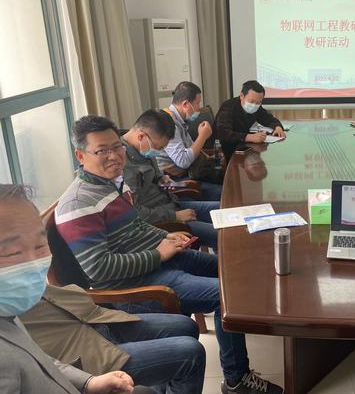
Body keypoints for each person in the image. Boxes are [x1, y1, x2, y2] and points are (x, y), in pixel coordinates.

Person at [55, 115, 283, 394]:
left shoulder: (111, 182)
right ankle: (236, 378)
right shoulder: (78, 204)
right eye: (102, 150)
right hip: (136, 283)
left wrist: (164, 237)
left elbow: (137, 226)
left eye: (116, 147)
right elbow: (99, 269)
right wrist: (158, 254)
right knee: (228, 294)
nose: (114, 155)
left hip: (157, 261)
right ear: (81, 155)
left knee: (232, 269)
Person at [0, 184, 155, 394]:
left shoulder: (7, 311)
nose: (34, 263)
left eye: (40, 245)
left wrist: (88, 382)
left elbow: (38, 360)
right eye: (11, 253)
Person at [21, 284, 206, 393]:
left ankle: (162, 383)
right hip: (75, 354)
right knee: (190, 354)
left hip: (86, 317)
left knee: (186, 325)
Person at [122, 109, 219, 251]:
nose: (159, 151)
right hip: (161, 221)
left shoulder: (142, 147)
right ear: (141, 136)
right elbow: (135, 212)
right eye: (159, 147)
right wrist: (174, 216)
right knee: (222, 235)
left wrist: (161, 178)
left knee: (223, 210)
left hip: (171, 202)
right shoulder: (122, 164)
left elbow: (154, 175)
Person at [156, 81, 222, 201]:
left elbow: (191, 148)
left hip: (188, 173)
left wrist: (209, 157)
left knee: (225, 179)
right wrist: (202, 137)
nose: (199, 108)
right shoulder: (168, 123)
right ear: (185, 104)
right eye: (197, 103)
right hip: (175, 180)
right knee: (224, 192)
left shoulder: (178, 120)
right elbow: (183, 161)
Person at [215, 80, 285, 160]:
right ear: (242, 96)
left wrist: (277, 127)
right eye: (251, 101)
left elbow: (268, 119)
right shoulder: (228, 107)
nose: (254, 105)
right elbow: (223, 133)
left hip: (244, 147)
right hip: (225, 150)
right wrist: (249, 137)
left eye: (258, 102)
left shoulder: (256, 106)